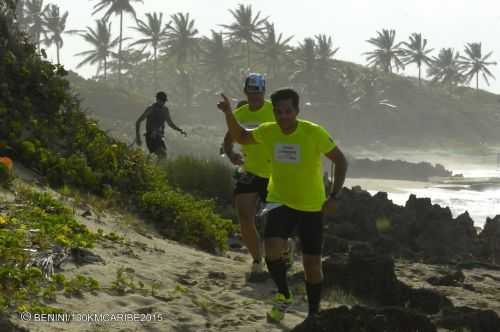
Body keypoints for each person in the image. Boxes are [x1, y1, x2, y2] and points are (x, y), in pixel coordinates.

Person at [217, 88, 348, 325]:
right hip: (280, 201)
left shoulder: (313, 132)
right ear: (274, 112)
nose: (283, 116)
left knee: (312, 266)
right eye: (279, 112)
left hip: (311, 206)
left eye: (288, 111)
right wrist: (228, 113)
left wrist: (334, 196)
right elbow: (241, 137)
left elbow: (340, 160)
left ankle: (313, 314)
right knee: (272, 250)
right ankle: (284, 293)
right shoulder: (269, 131)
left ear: (297, 111)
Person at [222, 74, 276, 278]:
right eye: (251, 92)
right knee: (244, 216)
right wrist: (230, 154)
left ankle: (286, 249)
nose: (254, 96)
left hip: (276, 174)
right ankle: (257, 260)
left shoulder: (274, 110)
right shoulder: (240, 113)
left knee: (275, 224)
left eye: (258, 92)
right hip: (251, 171)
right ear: (245, 91)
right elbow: (228, 140)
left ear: (264, 91)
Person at [136, 91, 187, 160]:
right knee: (162, 155)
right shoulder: (151, 108)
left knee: (163, 156)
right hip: (151, 136)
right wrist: (138, 137)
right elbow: (138, 122)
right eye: (161, 100)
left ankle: (155, 169)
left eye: (164, 101)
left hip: (159, 137)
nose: (163, 102)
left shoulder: (165, 110)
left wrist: (180, 130)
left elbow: (170, 123)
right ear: (157, 99)